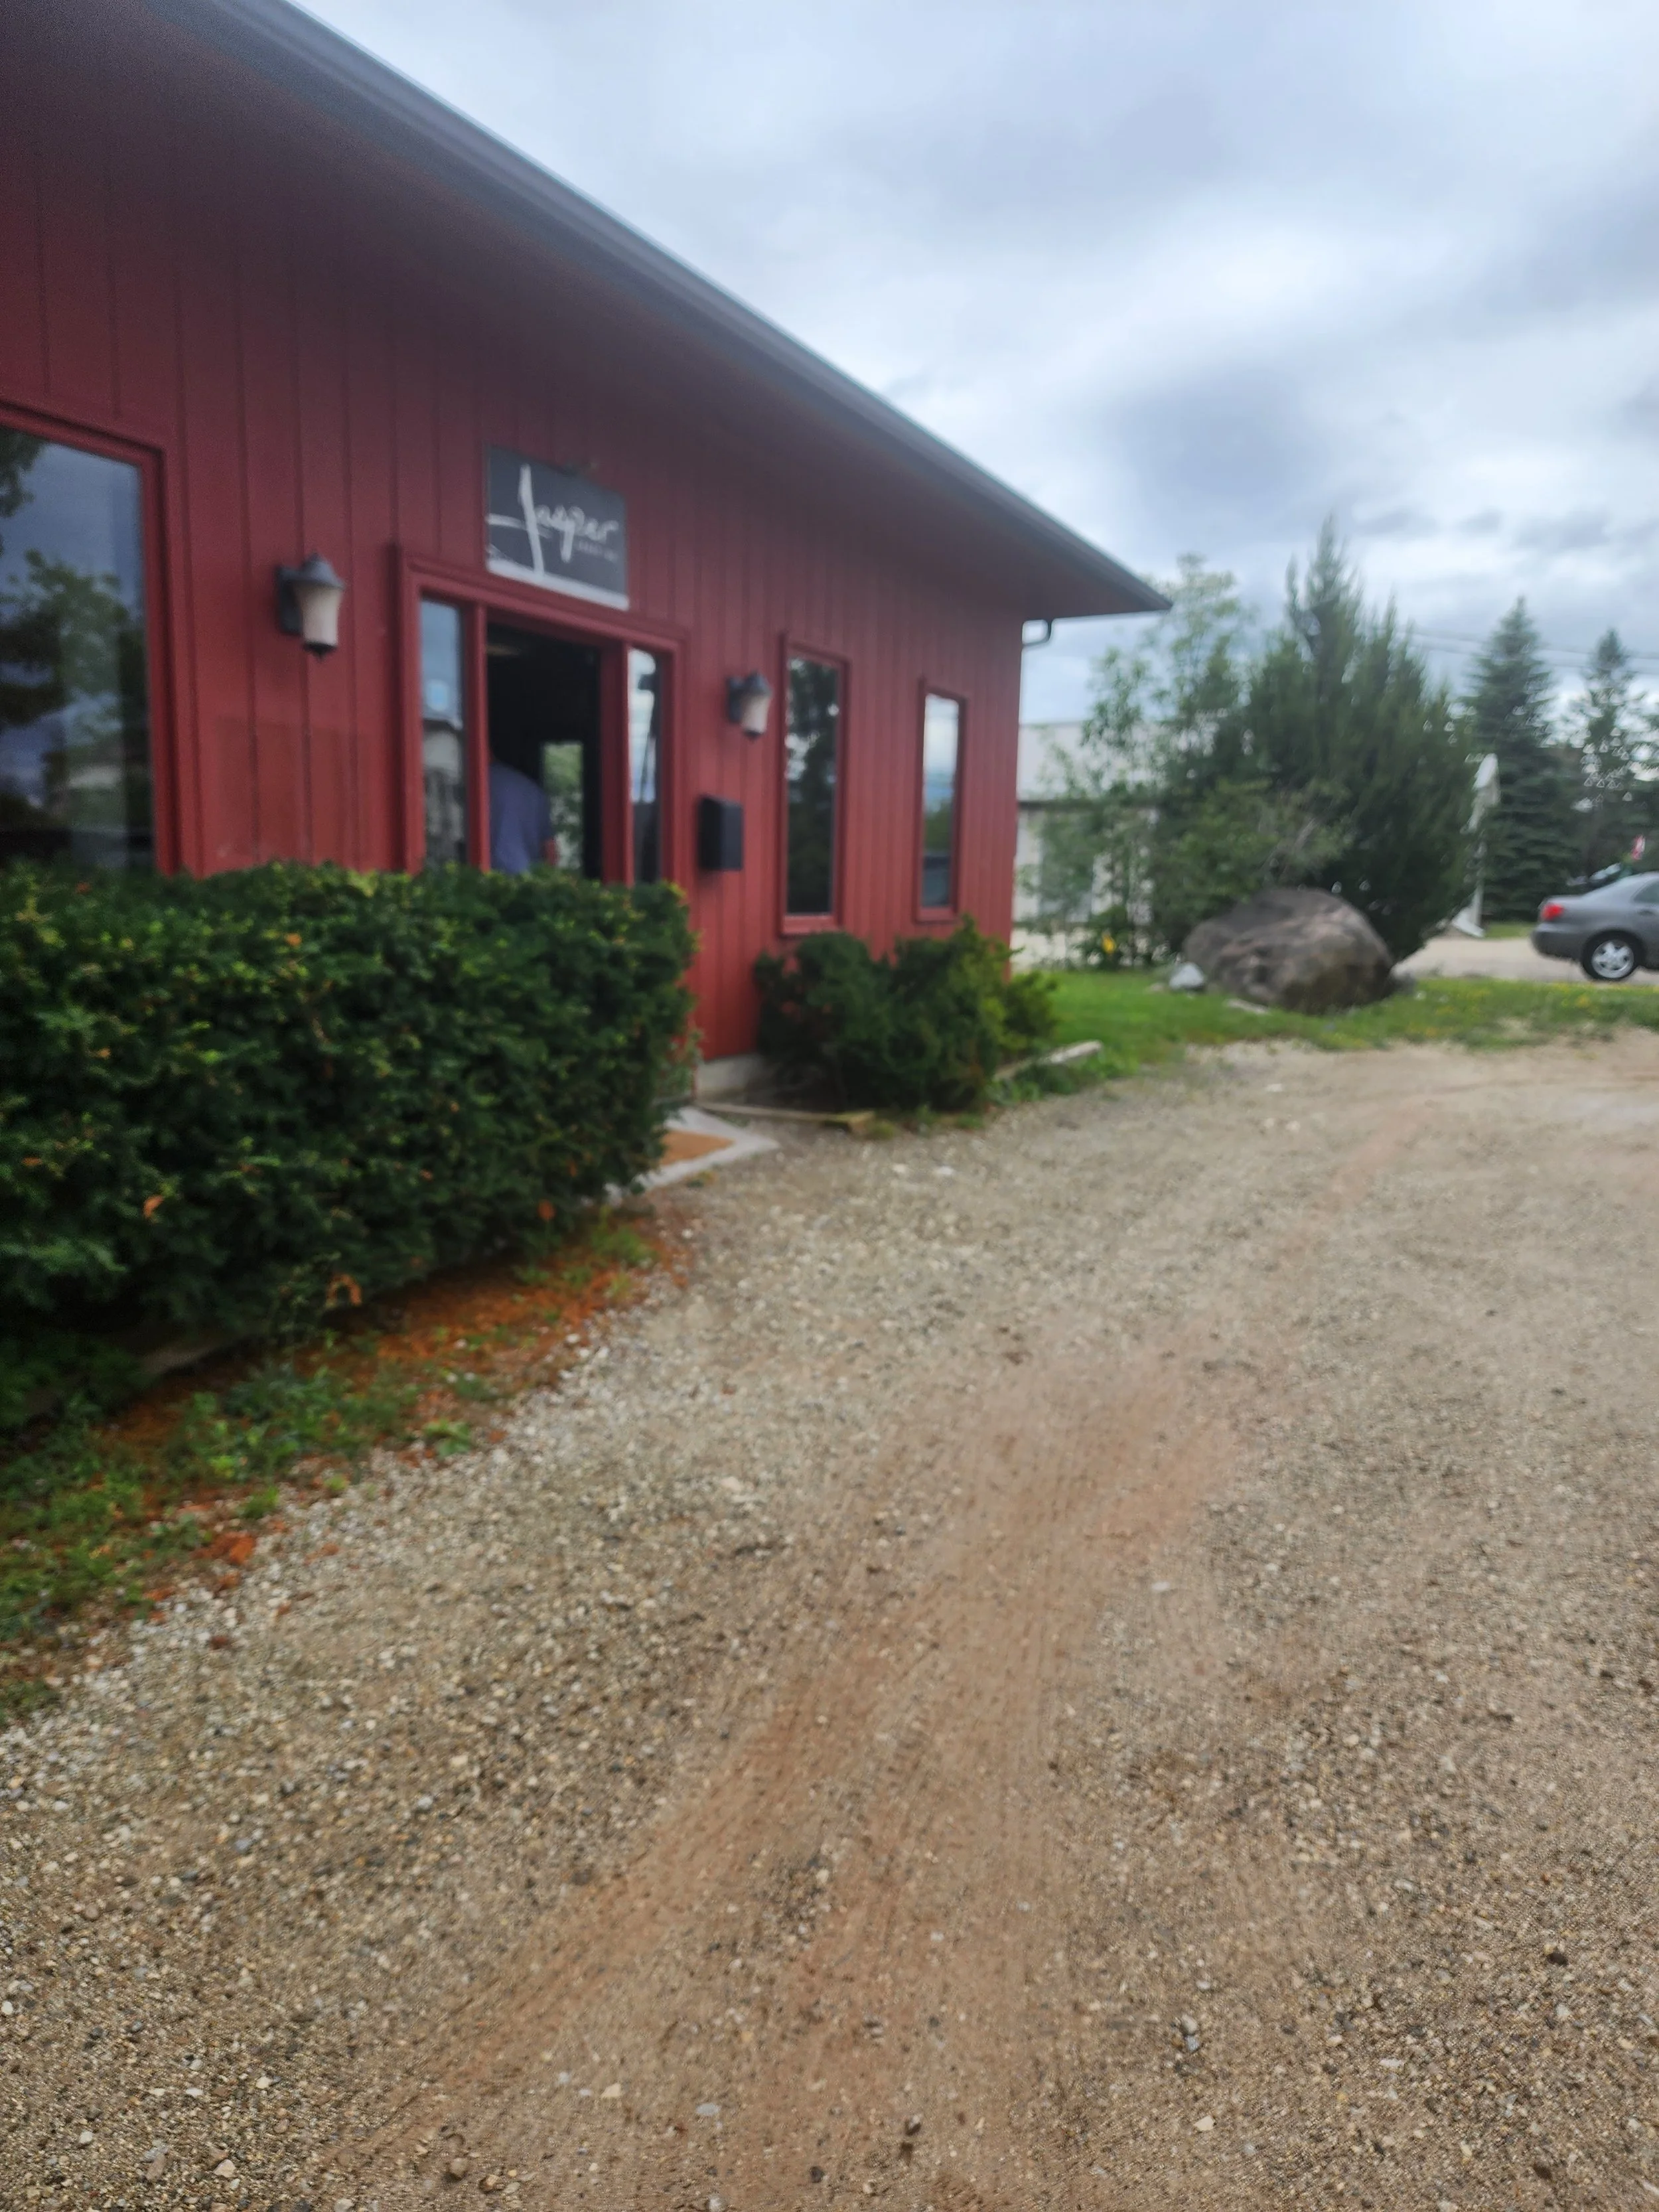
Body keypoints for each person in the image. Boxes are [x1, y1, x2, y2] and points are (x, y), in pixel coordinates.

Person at [488, 754, 555, 874]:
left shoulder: (476, 782)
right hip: (526, 881)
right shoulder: (532, 790)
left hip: (488, 880)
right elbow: (550, 850)